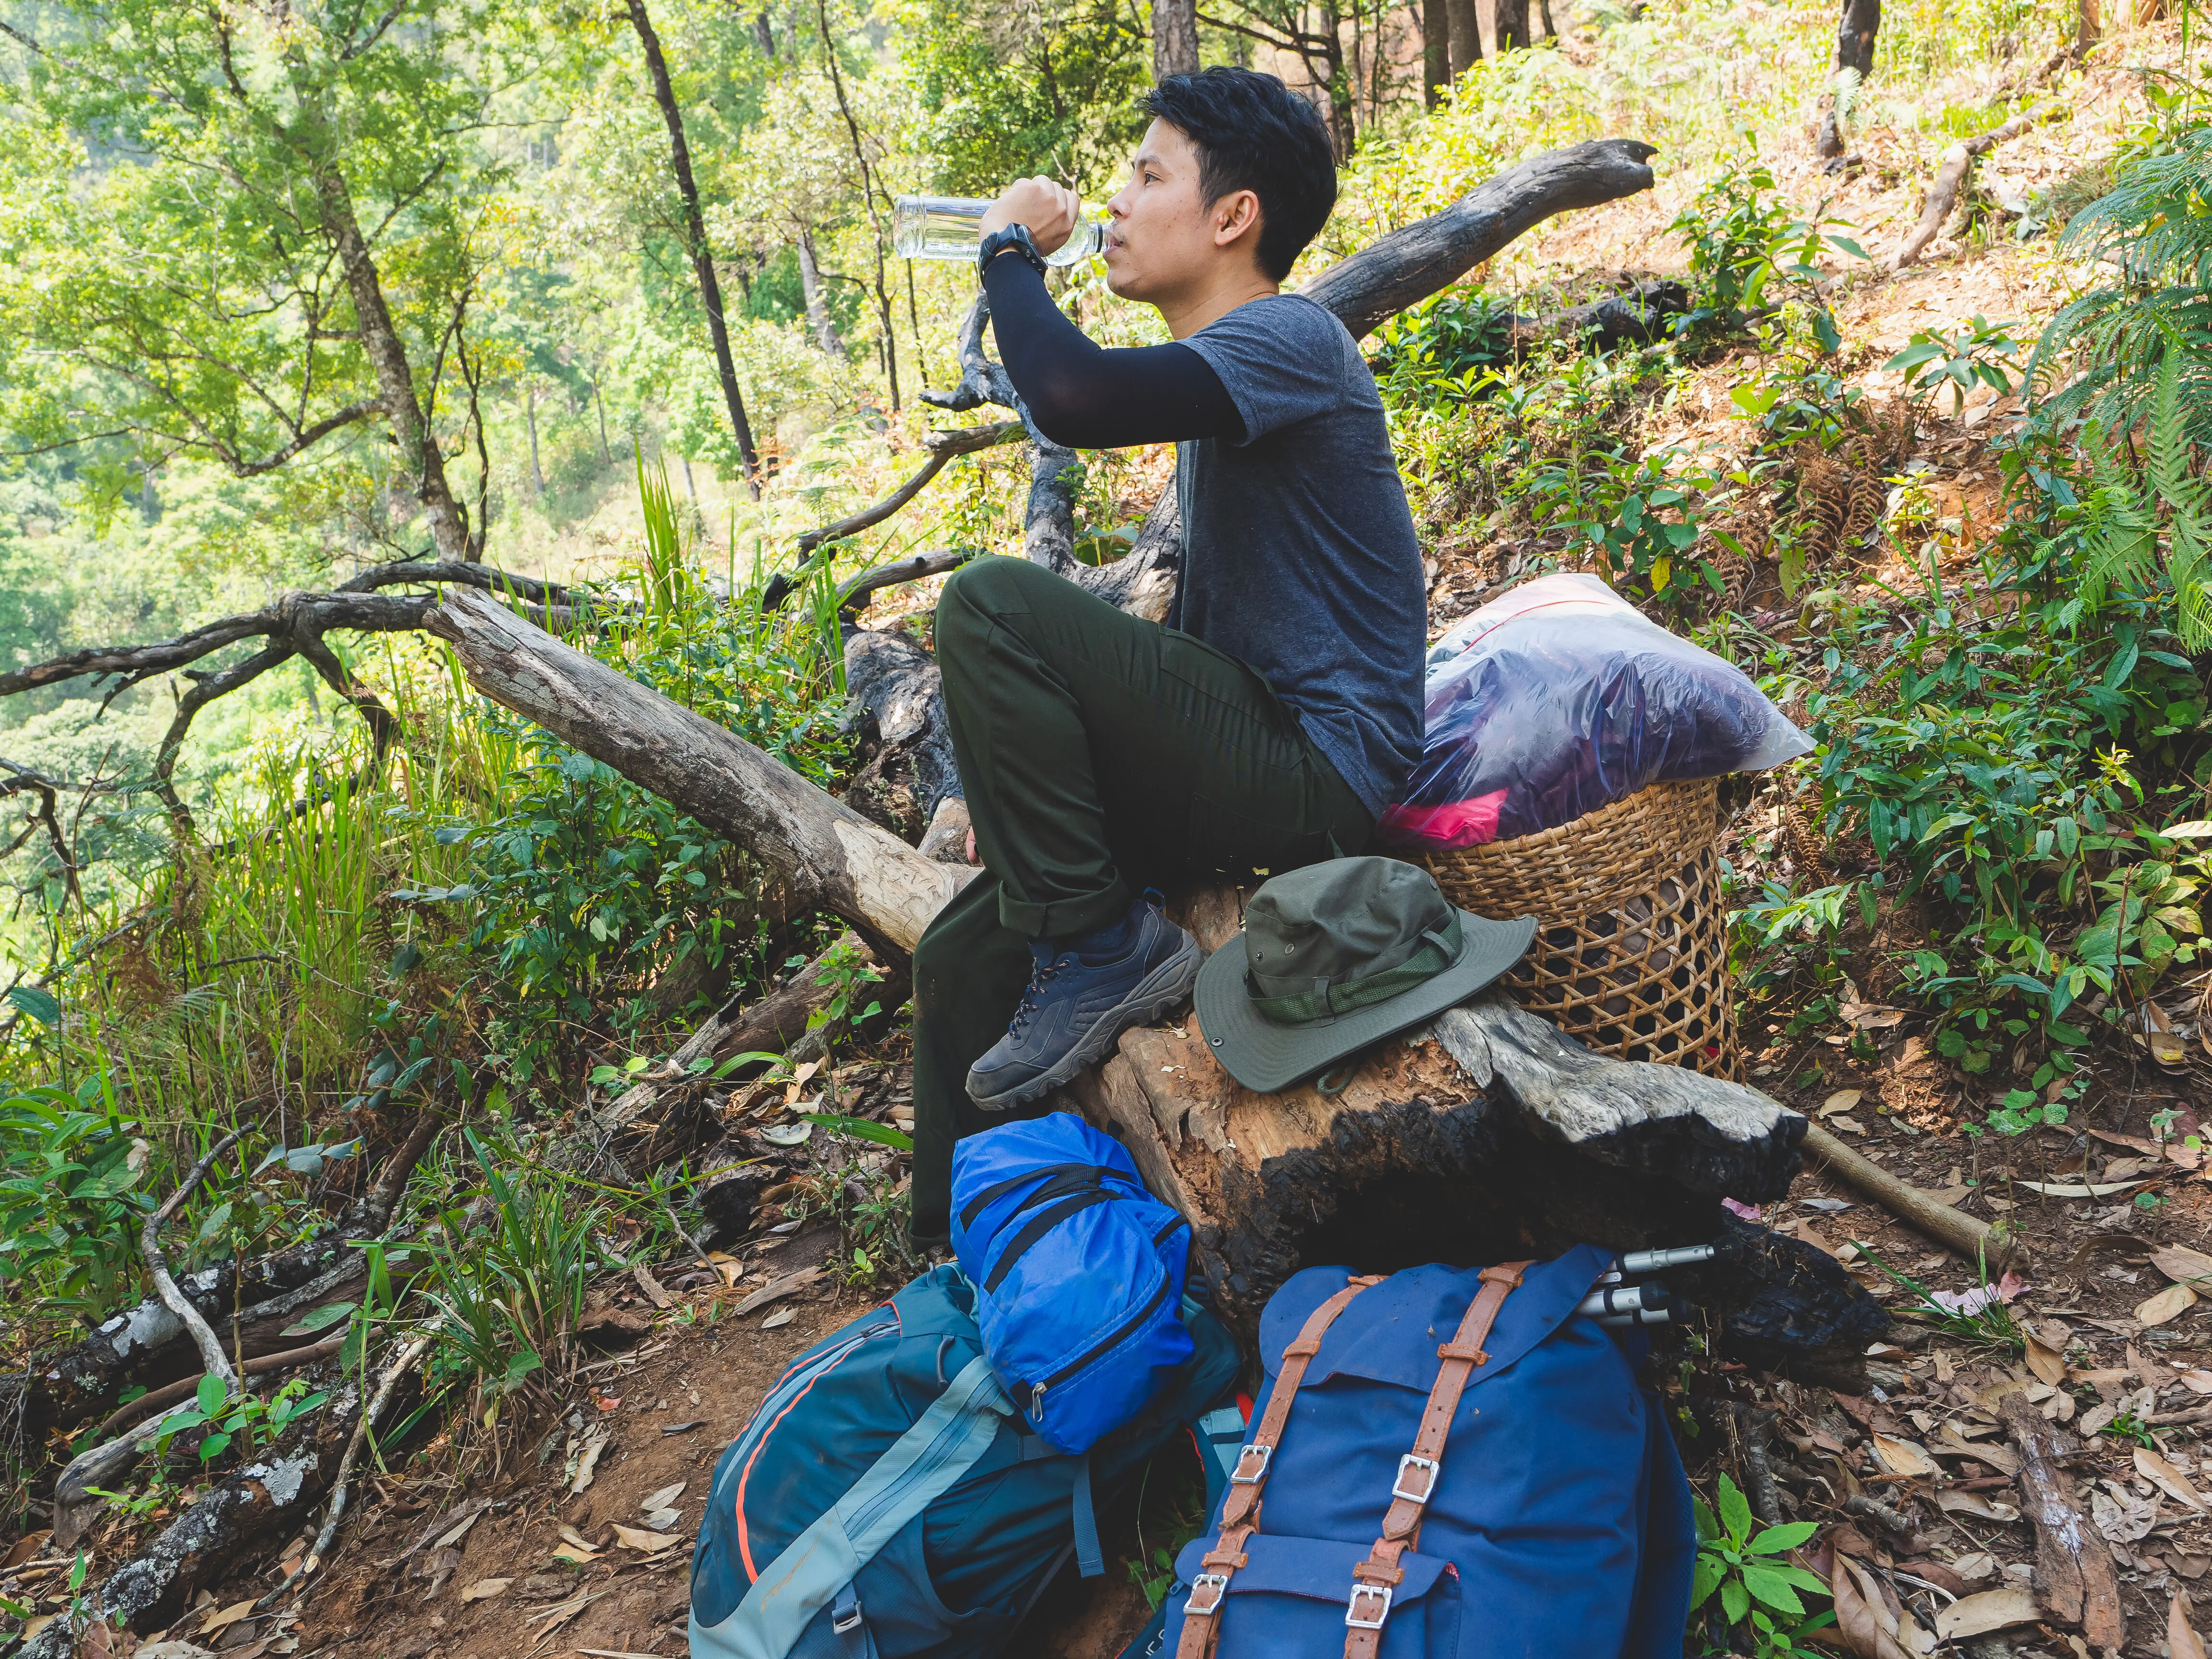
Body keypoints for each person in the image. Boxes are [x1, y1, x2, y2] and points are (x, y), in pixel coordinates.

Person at [909, 66, 1427, 1245]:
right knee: (962, 954)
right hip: (1253, 744)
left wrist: (1006, 254)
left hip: (1321, 769)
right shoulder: (1227, 382)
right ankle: (957, 1262)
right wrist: (1030, 778)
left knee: (992, 603)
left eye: (1149, 176)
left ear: (1234, 217)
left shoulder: (1291, 339)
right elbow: (1194, 662)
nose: (1121, 205)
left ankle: (1103, 952)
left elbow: (1073, 394)